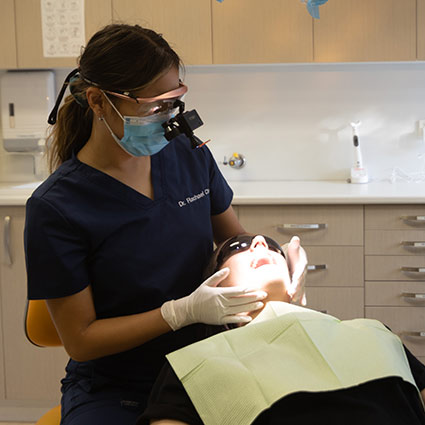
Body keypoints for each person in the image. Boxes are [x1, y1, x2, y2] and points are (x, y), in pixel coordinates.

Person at [23, 24, 307, 424]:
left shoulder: (188, 157)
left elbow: (234, 240)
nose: (169, 117)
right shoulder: (56, 208)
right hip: (118, 386)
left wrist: (276, 262)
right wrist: (179, 313)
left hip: (209, 361)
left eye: (174, 102)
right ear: (98, 102)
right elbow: (81, 340)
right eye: (154, 105)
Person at [138, 234, 425, 425]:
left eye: (276, 248)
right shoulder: (194, 367)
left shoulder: (372, 332)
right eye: (237, 247)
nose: (261, 243)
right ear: (215, 285)